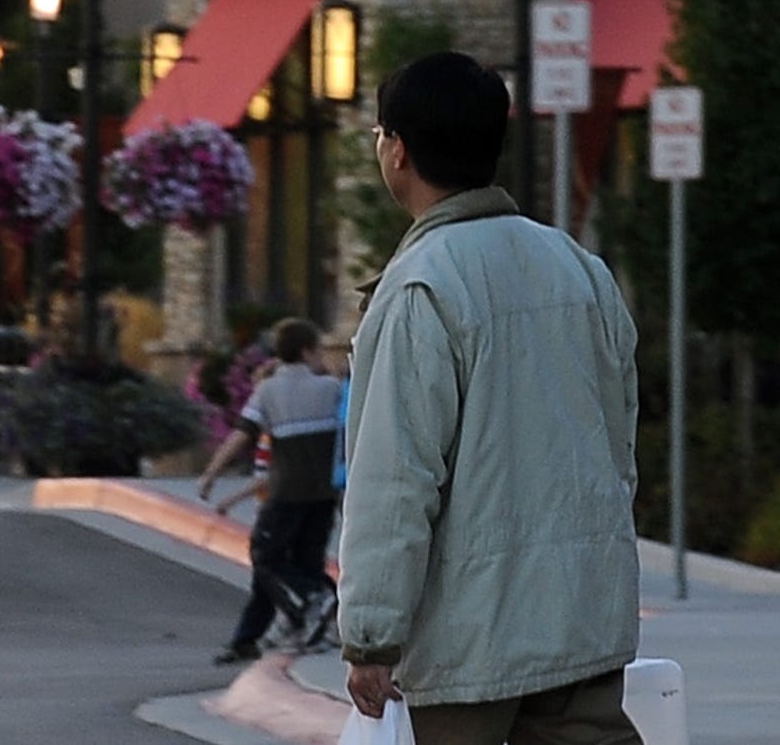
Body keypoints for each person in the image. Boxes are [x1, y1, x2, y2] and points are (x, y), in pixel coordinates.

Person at [339, 51, 642, 745]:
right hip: (584, 617)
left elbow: (395, 477)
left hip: (469, 635)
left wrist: (371, 633)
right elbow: (619, 438)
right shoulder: (578, 266)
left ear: (399, 151)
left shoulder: (421, 285)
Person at [195, 316, 344, 663]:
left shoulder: (269, 391)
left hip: (285, 492)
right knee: (305, 561)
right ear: (307, 350)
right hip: (322, 494)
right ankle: (250, 637)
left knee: (267, 558)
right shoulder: (331, 389)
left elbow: (242, 434)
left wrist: (212, 473)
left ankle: (314, 599)